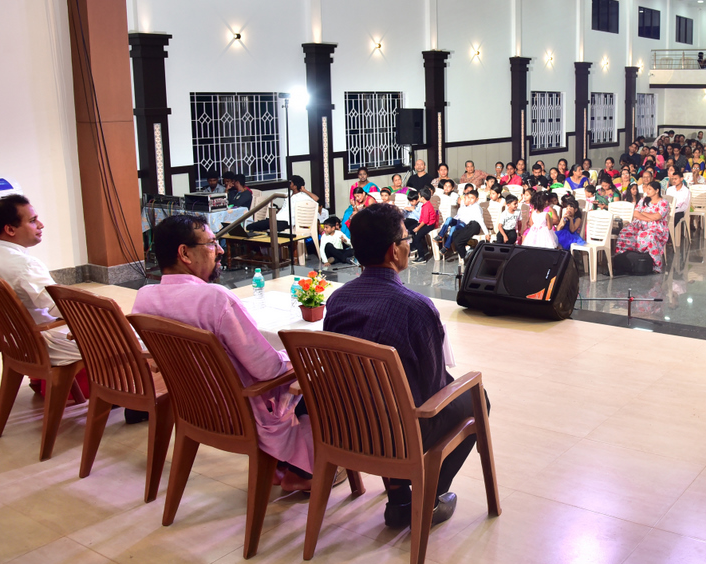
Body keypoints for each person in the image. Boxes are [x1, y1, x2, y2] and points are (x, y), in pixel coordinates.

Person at [322, 203, 488, 528]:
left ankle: (399, 499)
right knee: (477, 398)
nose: (409, 244)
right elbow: (432, 390)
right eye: (405, 238)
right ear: (392, 251)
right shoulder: (416, 307)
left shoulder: (338, 300)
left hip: (346, 427)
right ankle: (428, 499)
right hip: (399, 435)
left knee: (386, 395)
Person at [132, 214, 315, 492]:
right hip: (241, 414)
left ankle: (282, 467)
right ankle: (304, 471)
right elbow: (266, 369)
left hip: (196, 409)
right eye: (211, 243)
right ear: (185, 253)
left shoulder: (145, 297)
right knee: (313, 378)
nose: (219, 250)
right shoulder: (214, 298)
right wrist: (300, 363)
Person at [0, 195, 89, 397]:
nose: (41, 225)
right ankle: (121, 396)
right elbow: (59, 307)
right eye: (33, 220)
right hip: (42, 341)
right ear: (10, 229)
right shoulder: (26, 265)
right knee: (130, 340)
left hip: (14, 341)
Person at [614, 181, 670, 272]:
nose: (647, 191)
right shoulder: (643, 200)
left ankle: (655, 264)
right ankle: (623, 258)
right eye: (647, 189)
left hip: (656, 227)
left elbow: (658, 216)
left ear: (657, 190)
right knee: (625, 231)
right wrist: (648, 218)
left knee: (649, 235)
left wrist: (644, 213)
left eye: (650, 189)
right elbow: (636, 213)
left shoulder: (663, 202)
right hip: (640, 224)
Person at [408, 187, 439, 262]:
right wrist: (418, 225)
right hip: (424, 223)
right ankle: (414, 247)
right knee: (410, 230)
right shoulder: (425, 205)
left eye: (419, 196)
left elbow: (425, 221)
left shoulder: (426, 207)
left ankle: (422, 256)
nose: (418, 198)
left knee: (417, 238)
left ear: (423, 198)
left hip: (429, 225)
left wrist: (418, 228)